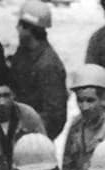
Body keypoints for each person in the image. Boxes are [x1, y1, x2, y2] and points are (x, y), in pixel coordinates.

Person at [11, 0, 68, 140]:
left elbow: (55, 116)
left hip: (34, 137)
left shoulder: (48, 65)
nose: (17, 28)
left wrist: (33, 136)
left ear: (28, 29)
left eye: (20, 25)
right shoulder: (23, 52)